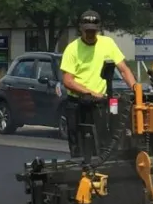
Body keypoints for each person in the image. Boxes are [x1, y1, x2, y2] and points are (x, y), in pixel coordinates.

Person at [59, 10, 139, 155]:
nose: (90, 34)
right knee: (80, 147)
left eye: (93, 31)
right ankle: (80, 172)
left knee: (104, 144)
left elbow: (124, 70)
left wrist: (136, 89)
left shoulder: (107, 43)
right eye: (87, 31)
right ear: (80, 29)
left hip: (100, 104)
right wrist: (89, 92)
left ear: (99, 29)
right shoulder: (72, 49)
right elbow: (68, 80)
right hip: (78, 104)